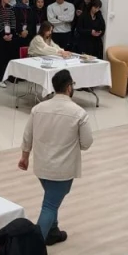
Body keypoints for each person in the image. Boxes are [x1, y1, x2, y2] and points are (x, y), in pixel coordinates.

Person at [18, 69, 93, 245]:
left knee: (51, 198)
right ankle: (33, 247)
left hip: (41, 167)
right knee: (50, 206)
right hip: (63, 170)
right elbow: (87, 143)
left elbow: (27, 135)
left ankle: (52, 232)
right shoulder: (79, 113)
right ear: (69, 87)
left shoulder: (38, 109)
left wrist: (24, 157)